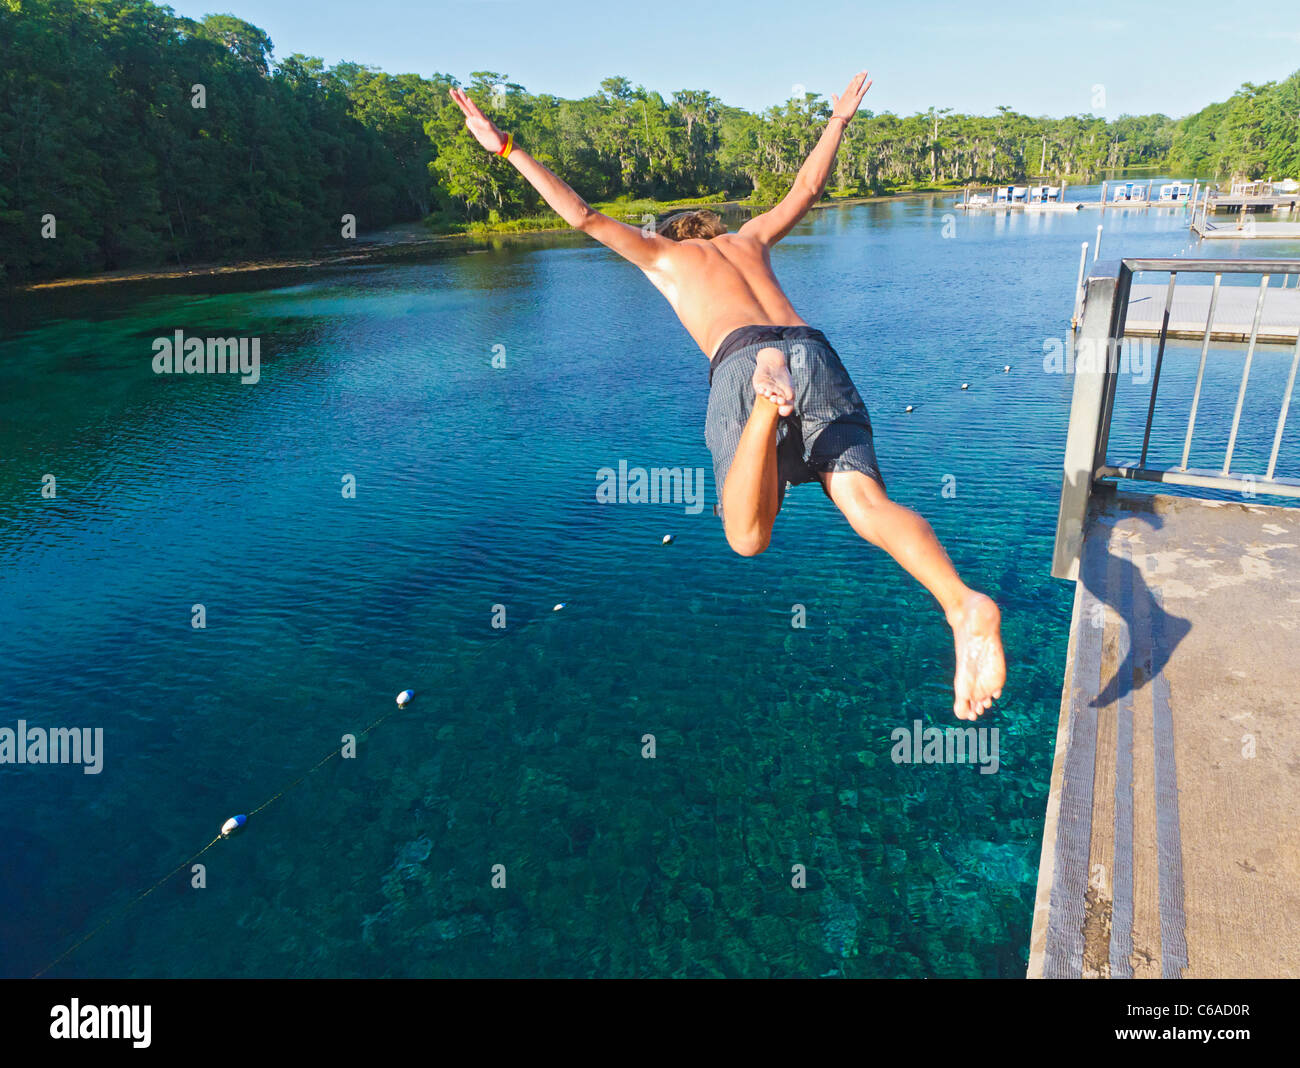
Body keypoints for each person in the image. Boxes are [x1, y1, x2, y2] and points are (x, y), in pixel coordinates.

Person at [449, 73, 1004, 720]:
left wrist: (505, 146)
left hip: (746, 359)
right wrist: (838, 121)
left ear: (677, 233)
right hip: (814, 350)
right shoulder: (751, 240)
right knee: (866, 504)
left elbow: (582, 214)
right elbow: (807, 187)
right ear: (713, 227)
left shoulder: (663, 257)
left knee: (747, 539)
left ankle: (768, 402)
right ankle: (961, 602)